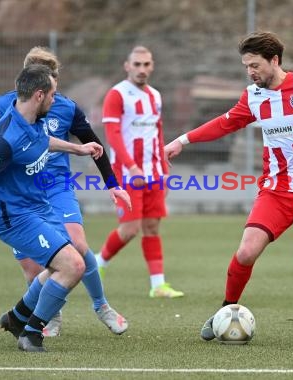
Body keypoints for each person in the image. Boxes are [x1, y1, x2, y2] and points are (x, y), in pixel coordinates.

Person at [164, 31, 293, 347]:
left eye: (255, 65)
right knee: (246, 251)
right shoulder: (253, 96)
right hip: (276, 191)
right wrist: (182, 141)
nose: (250, 72)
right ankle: (225, 312)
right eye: (246, 67)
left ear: (275, 61)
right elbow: (224, 123)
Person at [0, 47, 130, 337]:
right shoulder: (5, 109)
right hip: (19, 195)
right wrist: (2, 167)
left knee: (75, 248)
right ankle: (39, 316)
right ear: (34, 85)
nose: (54, 89)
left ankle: (99, 305)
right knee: (35, 269)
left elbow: (84, 143)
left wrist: (111, 183)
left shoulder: (60, 108)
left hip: (54, 186)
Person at [94, 46, 184, 298]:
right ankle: (98, 263)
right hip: (126, 173)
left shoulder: (155, 95)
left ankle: (158, 286)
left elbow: (157, 134)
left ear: (152, 66)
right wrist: (132, 168)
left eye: (146, 64)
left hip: (154, 172)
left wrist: (164, 170)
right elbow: (112, 136)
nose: (142, 69)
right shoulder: (116, 95)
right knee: (129, 229)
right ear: (127, 66)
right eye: (137, 64)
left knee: (152, 227)